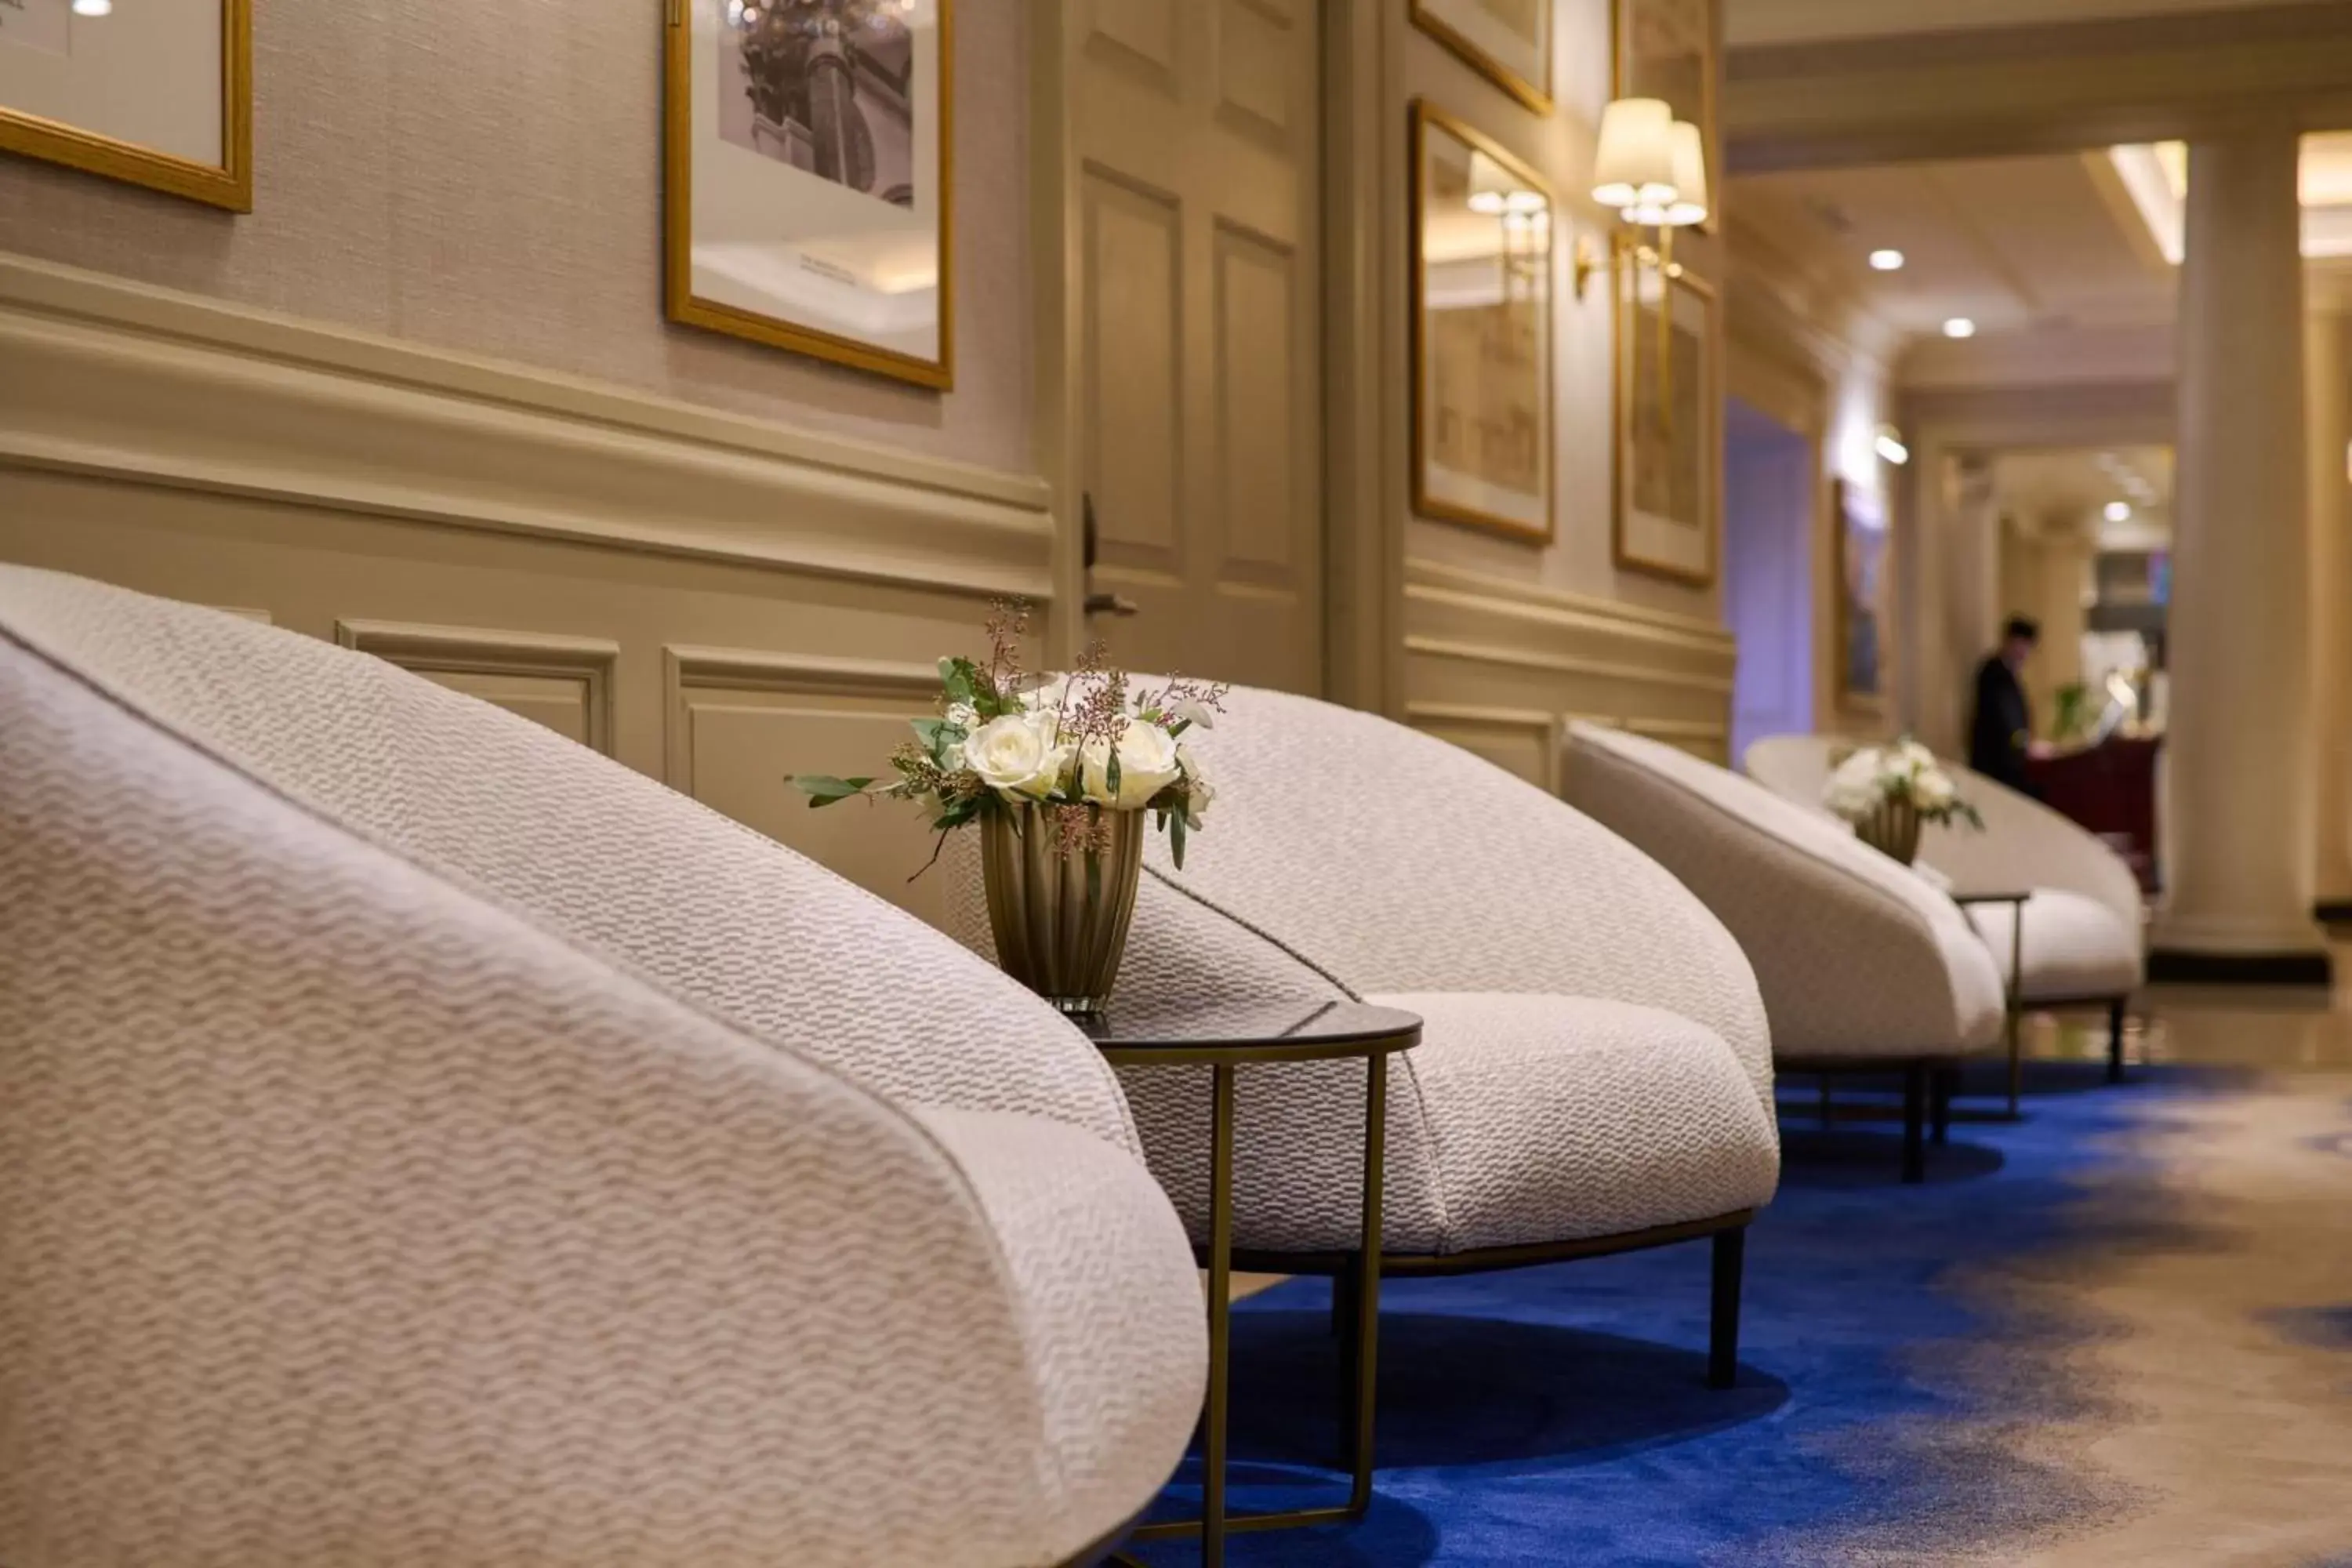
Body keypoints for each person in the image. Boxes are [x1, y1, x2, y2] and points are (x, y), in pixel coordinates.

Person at [1969, 616, 2044, 793]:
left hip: (2008, 764)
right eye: (2020, 644)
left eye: (2027, 647)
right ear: (2008, 641)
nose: (2024, 652)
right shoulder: (1995, 674)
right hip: (1996, 766)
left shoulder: (2010, 675)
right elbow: (2007, 722)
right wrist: (2026, 745)